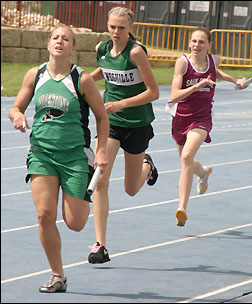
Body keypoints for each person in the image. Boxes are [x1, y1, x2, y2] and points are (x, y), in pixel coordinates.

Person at [8, 25, 109, 292]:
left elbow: (102, 117)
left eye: (66, 39)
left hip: (75, 156)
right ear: (48, 44)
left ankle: (85, 189)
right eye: (55, 37)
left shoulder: (82, 80)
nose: (60, 42)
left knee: (75, 223)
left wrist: (100, 151)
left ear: (73, 47)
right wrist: (17, 115)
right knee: (44, 215)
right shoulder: (35, 75)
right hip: (42, 153)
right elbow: (16, 106)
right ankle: (57, 276)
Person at [88, 6, 159, 264]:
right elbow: (104, 72)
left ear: (130, 28)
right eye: (112, 27)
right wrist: (83, 81)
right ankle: (100, 245)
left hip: (137, 123)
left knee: (130, 190)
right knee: (100, 178)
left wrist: (121, 104)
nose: (116, 32)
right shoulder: (102, 50)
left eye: (121, 27)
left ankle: (147, 167)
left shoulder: (136, 52)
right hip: (110, 123)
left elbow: (153, 92)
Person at [170, 27, 247, 227]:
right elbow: (174, 95)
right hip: (181, 118)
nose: (197, 45)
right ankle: (203, 174)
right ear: (189, 43)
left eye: (201, 42)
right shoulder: (182, 63)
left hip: (202, 119)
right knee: (186, 160)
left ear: (209, 45)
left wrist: (234, 80)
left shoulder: (214, 60)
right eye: (194, 41)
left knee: (186, 157)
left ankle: (182, 208)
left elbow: (215, 72)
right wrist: (196, 86)